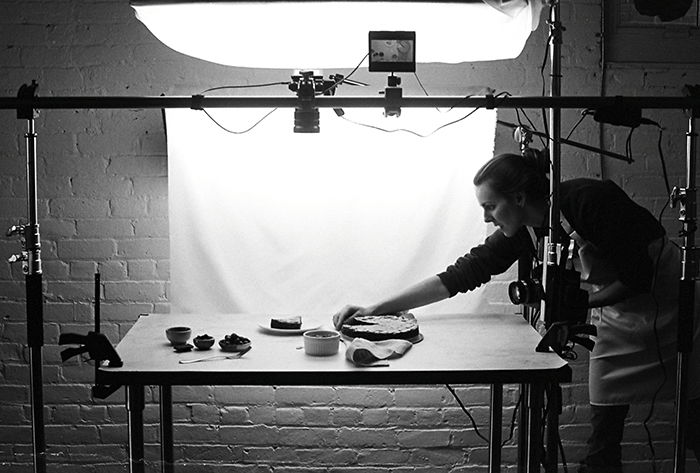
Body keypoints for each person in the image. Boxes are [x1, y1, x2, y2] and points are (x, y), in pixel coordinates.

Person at [332, 152, 700, 472]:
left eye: (490, 207)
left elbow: (638, 276)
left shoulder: (589, 200)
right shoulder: (526, 229)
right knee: (605, 426)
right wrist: (374, 308)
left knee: (694, 412)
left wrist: (577, 304)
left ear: (520, 197)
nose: (488, 219)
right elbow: (462, 274)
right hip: (619, 318)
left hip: (668, 301)